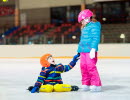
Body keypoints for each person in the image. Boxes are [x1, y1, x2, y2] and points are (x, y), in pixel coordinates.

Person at [77, 9, 102, 92]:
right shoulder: (84, 27)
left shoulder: (94, 26)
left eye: (82, 21)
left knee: (91, 67)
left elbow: (96, 38)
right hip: (83, 51)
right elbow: (82, 40)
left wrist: (93, 49)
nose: (82, 23)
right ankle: (86, 83)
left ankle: (96, 84)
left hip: (90, 50)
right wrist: (79, 51)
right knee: (83, 67)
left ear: (87, 18)